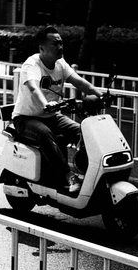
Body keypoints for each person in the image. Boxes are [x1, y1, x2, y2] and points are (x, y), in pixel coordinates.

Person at [12, 26, 103, 193]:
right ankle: (68, 175)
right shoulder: (31, 65)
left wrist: (101, 95)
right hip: (26, 118)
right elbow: (33, 88)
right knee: (44, 133)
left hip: (52, 117)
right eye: (55, 44)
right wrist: (46, 104)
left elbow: (79, 82)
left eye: (61, 43)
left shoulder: (60, 63)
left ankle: (89, 170)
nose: (60, 47)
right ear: (42, 48)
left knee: (84, 132)